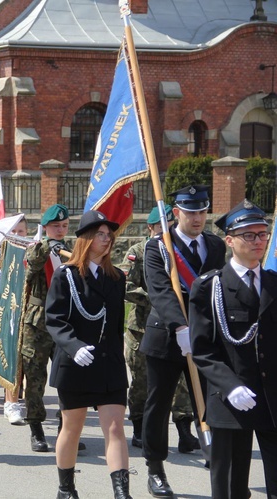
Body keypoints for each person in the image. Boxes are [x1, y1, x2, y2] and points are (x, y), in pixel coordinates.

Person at [141, 185, 226, 496]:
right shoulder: (159, 246)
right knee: (158, 405)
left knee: (211, 402)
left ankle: (217, 458)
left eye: (202, 211)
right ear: (176, 213)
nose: (198, 217)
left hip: (204, 339)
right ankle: (155, 469)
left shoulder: (214, 246)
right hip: (166, 336)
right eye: (191, 212)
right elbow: (160, 290)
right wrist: (179, 327)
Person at [190, 200, 277, 498]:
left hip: (272, 396)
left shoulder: (273, 283)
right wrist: (229, 386)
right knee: (231, 485)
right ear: (229, 240)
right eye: (249, 235)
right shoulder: (209, 287)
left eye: (262, 234)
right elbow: (202, 349)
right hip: (230, 398)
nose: (258, 241)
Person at [45, 210, 130, 498]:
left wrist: (119, 360)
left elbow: (116, 326)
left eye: (109, 235)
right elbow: (55, 319)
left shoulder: (117, 278)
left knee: (116, 428)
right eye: (100, 235)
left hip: (108, 365)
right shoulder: (65, 276)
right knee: (72, 428)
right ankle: (65, 488)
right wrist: (74, 346)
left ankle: (121, 492)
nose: (106, 240)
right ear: (86, 239)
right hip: (76, 363)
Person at [119, 205, 199, 452]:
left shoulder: (180, 252)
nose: (165, 231)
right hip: (143, 329)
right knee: (143, 382)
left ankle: (185, 431)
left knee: (184, 384)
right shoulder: (138, 251)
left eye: (169, 226)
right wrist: (156, 298)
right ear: (150, 228)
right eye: (159, 227)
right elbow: (125, 286)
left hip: (178, 329)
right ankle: (140, 427)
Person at [19, 203, 70, 450]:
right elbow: (32, 266)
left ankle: (66, 429)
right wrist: (47, 246)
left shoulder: (71, 250)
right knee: (35, 376)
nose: (60, 230)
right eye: (55, 226)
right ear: (45, 228)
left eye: (64, 226)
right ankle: (36, 429)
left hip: (65, 321)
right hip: (38, 321)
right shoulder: (37, 249)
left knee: (67, 378)